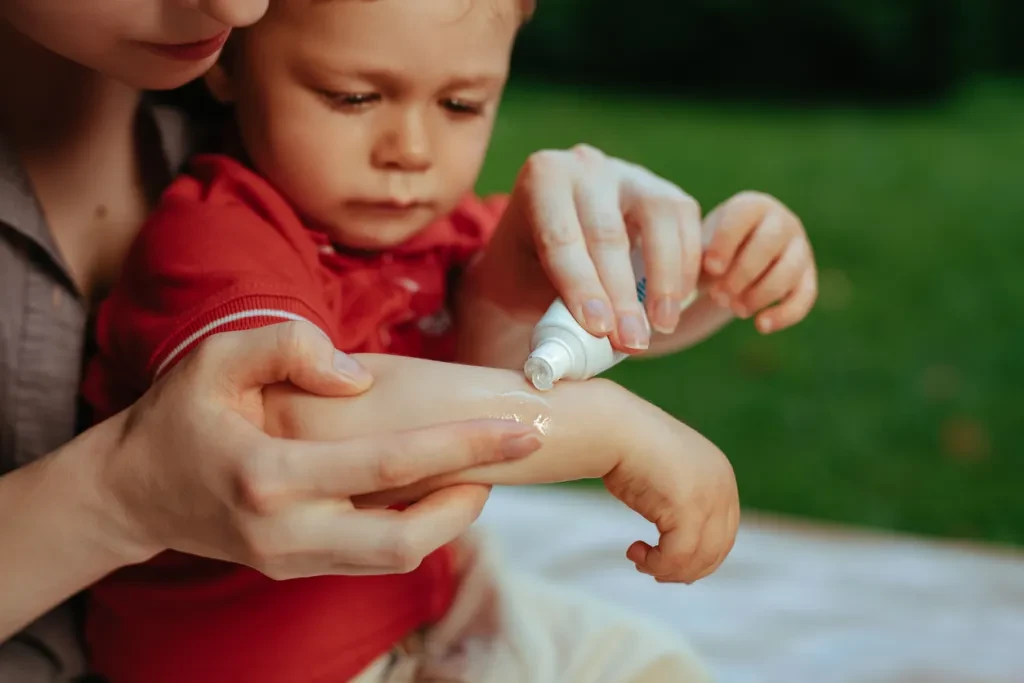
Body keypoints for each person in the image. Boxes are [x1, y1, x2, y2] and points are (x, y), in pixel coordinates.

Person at [80, 0, 817, 681]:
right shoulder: (220, 238)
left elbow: (586, 328)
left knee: (651, 664)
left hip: (429, 617)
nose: (410, 148)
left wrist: (709, 275)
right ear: (228, 63)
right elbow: (290, 421)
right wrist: (611, 431)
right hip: (251, 662)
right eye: (354, 97)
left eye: (461, 104)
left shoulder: (448, 232)